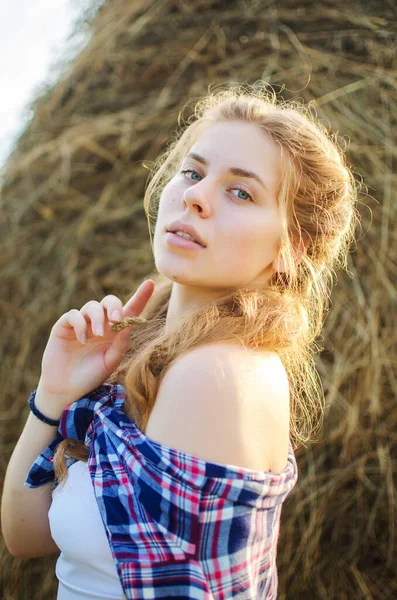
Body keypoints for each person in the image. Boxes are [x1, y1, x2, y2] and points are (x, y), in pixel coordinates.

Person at [1, 83, 360, 599]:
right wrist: (53, 396)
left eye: (241, 192)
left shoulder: (218, 374)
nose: (194, 194)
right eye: (193, 172)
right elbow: (26, 535)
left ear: (290, 249)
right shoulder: (166, 352)